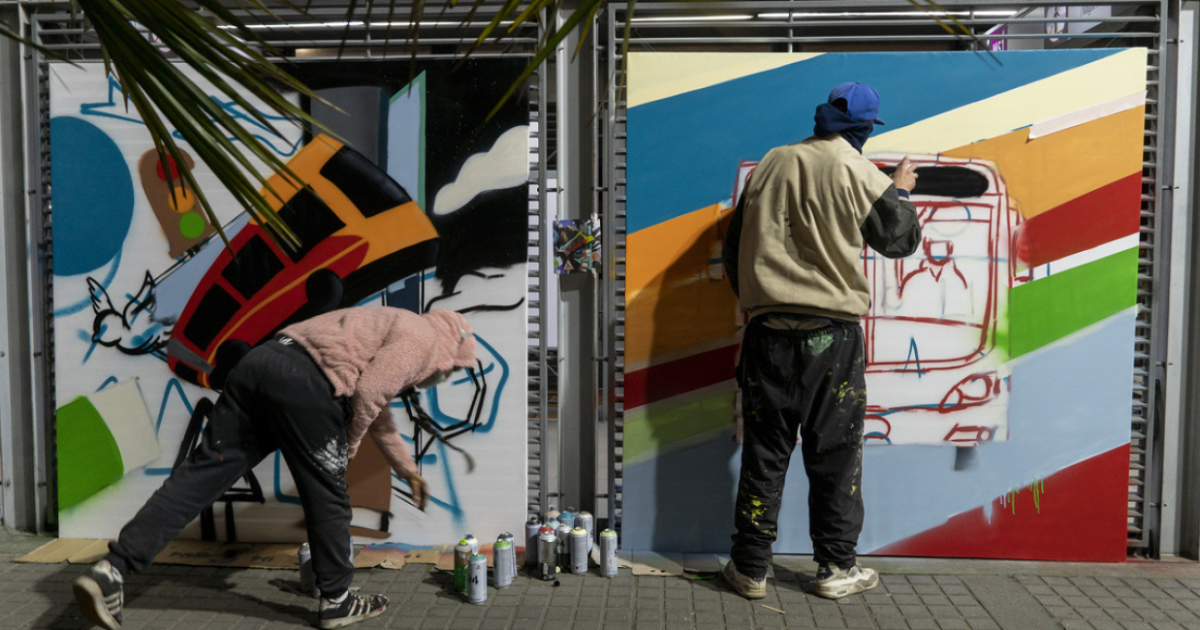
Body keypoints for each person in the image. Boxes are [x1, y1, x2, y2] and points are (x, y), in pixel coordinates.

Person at [72, 306, 479, 630]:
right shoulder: (424, 340)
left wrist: (407, 469)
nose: (447, 377)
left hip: (261, 364)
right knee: (329, 497)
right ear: (452, 351)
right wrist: (346, 448)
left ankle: (113, 569)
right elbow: (371, 392)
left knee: (198, 477)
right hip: (306, 384)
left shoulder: (394, 324)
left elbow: (380, 409)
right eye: (456, 369)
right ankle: (337, 601)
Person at [721, 82, 922, 600]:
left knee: (765, 453)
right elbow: (899, 239)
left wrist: (759, 299)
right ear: (863, 129)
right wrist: (898, 189)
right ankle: (835, 569)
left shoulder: (772, 162)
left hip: (766, 334)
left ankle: (749, 569)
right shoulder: (857, 171)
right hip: (830, 341)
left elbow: (733, 242)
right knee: (834, 456)